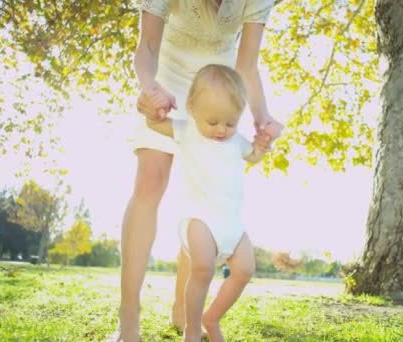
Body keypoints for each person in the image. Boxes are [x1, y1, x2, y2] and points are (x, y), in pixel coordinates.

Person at [115, 1, 281, 341]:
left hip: (217, 91)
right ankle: (128, 318)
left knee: (205, 197)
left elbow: (247, 64)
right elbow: (147, 45)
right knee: (150, 181)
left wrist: (261, 118)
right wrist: (149, 88)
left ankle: (184, 311)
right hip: (167, 78)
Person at [146, 63, 269, 341]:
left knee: (245, 269)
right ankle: (191, 329)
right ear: (192, 107)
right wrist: (155, 111)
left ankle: (211, 318)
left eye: (230, 122)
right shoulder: (186, 130)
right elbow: (154, 124)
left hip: (232, 223)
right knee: (202, 267)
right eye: (213, 122)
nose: (221, 130)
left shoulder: (235, 140)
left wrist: (261, 145)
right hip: (199, 218)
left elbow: (253, 157)